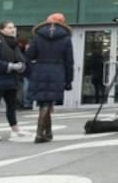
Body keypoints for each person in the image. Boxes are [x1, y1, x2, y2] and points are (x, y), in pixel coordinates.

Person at [26, 12, 74, 143]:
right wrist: (69, 80)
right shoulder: (66, 38)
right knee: (48, 102)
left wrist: (30, 71)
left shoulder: (37, 36)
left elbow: (29, 56)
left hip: (40, 69)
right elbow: (69, 61)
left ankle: (48, 132)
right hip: (57, 71)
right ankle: (40, 133)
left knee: (43, 102)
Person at [0, 21, 29, 141]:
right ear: (1, 29)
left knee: (12, 105)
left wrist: (22, 65)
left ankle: (15, 129)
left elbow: (20, 58)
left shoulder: (13, 43)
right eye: (9, 27)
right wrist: (10, 66)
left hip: (10, 79)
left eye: (13, 27)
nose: (12, 29)